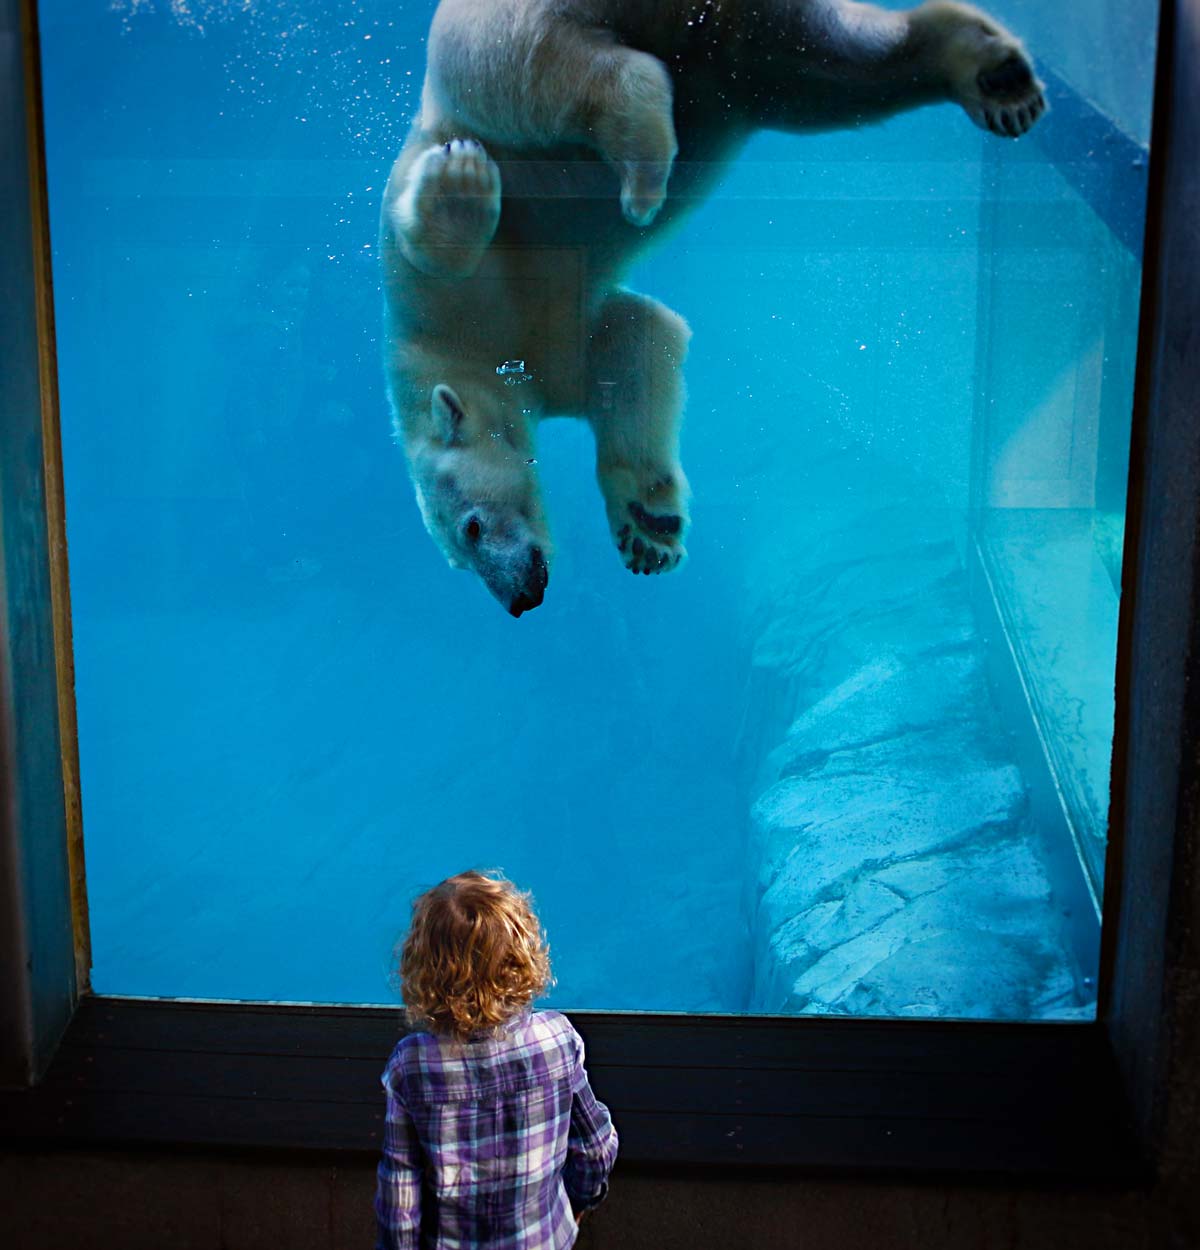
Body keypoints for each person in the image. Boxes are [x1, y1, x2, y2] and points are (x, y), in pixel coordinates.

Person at [376, 870, 619, 1249]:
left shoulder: (413, 1066)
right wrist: (574, 1206)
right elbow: (596, 1148)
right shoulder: (558, 1039)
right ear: (519, 956)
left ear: (426, 968)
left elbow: (400, 1204)